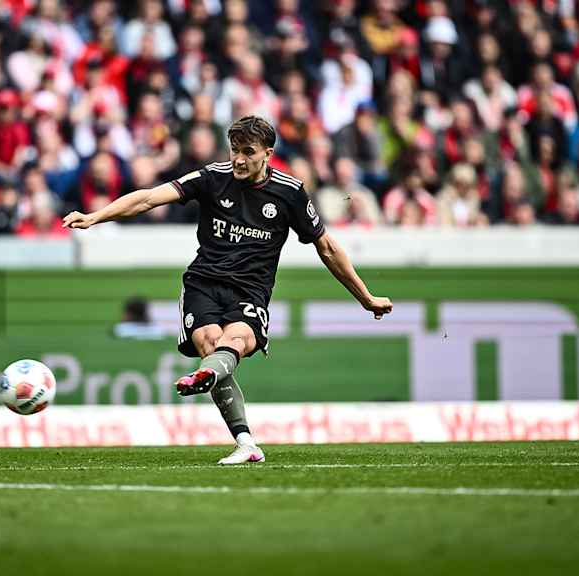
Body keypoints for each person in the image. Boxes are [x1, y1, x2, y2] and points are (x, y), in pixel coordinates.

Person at [63, 116, 393, 464]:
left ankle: (213, 378)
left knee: (233, 341)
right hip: (203, 283)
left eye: (247, 152)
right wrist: (95, 216)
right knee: (210, 342)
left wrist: (365, 297)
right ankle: (245, 441)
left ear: (267, 153)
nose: (238, 159)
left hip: (250, 291)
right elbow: (148, 199)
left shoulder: (289, 191)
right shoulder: (212, 177)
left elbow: (326, 247)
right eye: (234, 150)